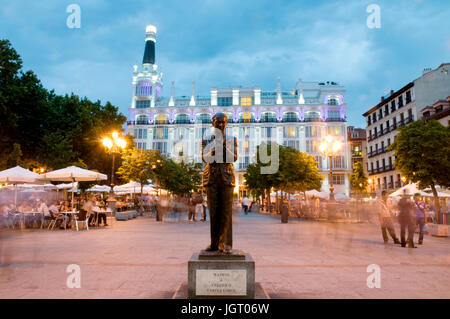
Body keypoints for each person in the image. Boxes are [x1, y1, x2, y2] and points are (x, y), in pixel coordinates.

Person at [201, 112, 238, 254]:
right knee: (214, 213)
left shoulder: (231, 139)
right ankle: (215, 243)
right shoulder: (206, 140)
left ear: (226, 123)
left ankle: (227, 244)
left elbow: (233, 157)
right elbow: (204, 158)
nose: (221, 125)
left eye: (223, 122)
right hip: (211, 178)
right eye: (218, 122)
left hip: (227, 177)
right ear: (213, 123)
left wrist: (222, 147)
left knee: (226, 212)